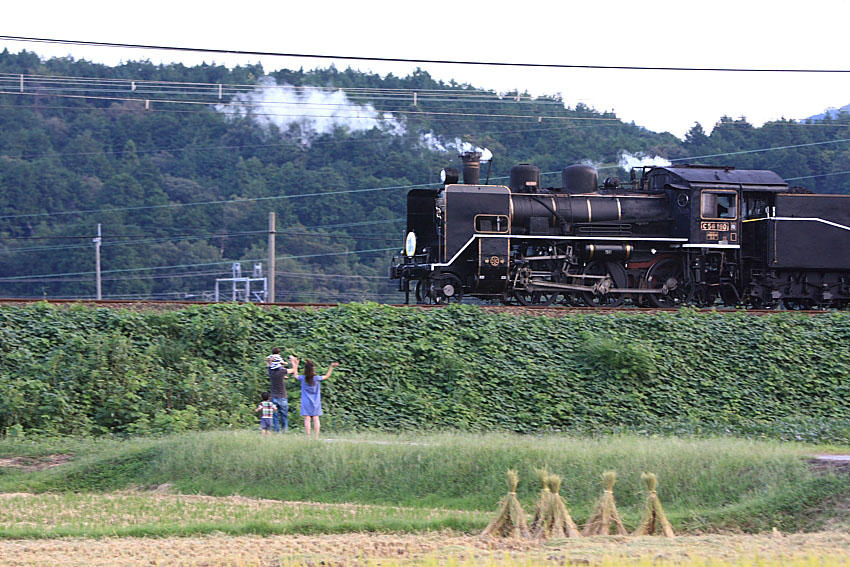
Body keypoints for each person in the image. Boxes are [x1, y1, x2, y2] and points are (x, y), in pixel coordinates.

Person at [291, 357, 339, 438]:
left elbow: (295, 375)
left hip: (306, 402)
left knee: (307, 419)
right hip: (316, 402)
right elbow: (327, 376)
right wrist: (331, 367)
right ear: (313, 369)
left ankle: (308, 436)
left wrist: (296, 364)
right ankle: (316, 437)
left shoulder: (303, 378)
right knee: (316, 418)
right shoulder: (316, 378)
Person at [265, 347, 290, 432]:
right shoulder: (281, 369)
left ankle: (277, 431)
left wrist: (269, 361)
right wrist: (293, 363)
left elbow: (267, 362)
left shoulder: (270, 371)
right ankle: (285, 430)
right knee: (284, 415)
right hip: (282, 396)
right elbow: (292, 369)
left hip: (273, 396)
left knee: (274, 416)